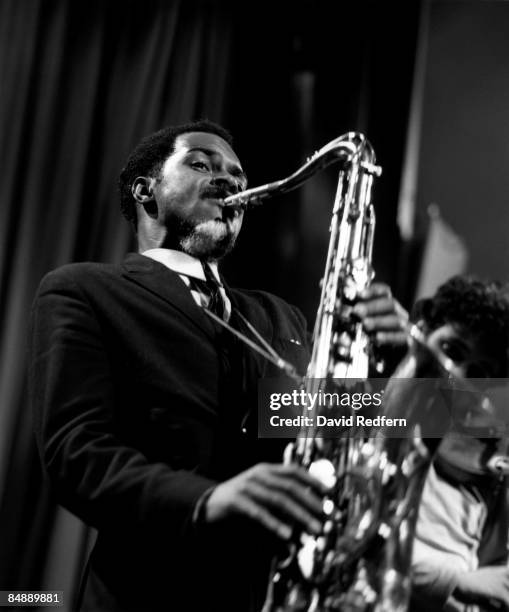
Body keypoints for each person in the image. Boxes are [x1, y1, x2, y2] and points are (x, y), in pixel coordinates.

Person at [29, 119, 408, 612]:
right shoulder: (86, 291)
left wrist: (401, 356)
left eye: (238, 175)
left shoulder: (280, 316)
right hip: (146, 593)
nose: (230, 181)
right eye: (201, 164)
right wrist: (208, 500)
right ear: (147, 190)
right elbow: (76, 453)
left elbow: (360, 422)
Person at [408, 276, 509, 612]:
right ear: (421, 331)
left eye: (478, 373)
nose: (461, 378)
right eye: (452, 350)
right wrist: (458, 582)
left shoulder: (483, 463)